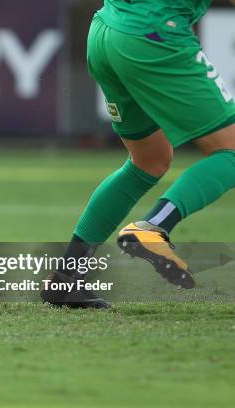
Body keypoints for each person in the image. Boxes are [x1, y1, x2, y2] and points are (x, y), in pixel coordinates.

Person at [41, 0, 235, 308]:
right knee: (231, 150)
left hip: (106, 29)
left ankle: (66, 281)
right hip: (153, 33)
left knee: (148, 161)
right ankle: (154, 227)